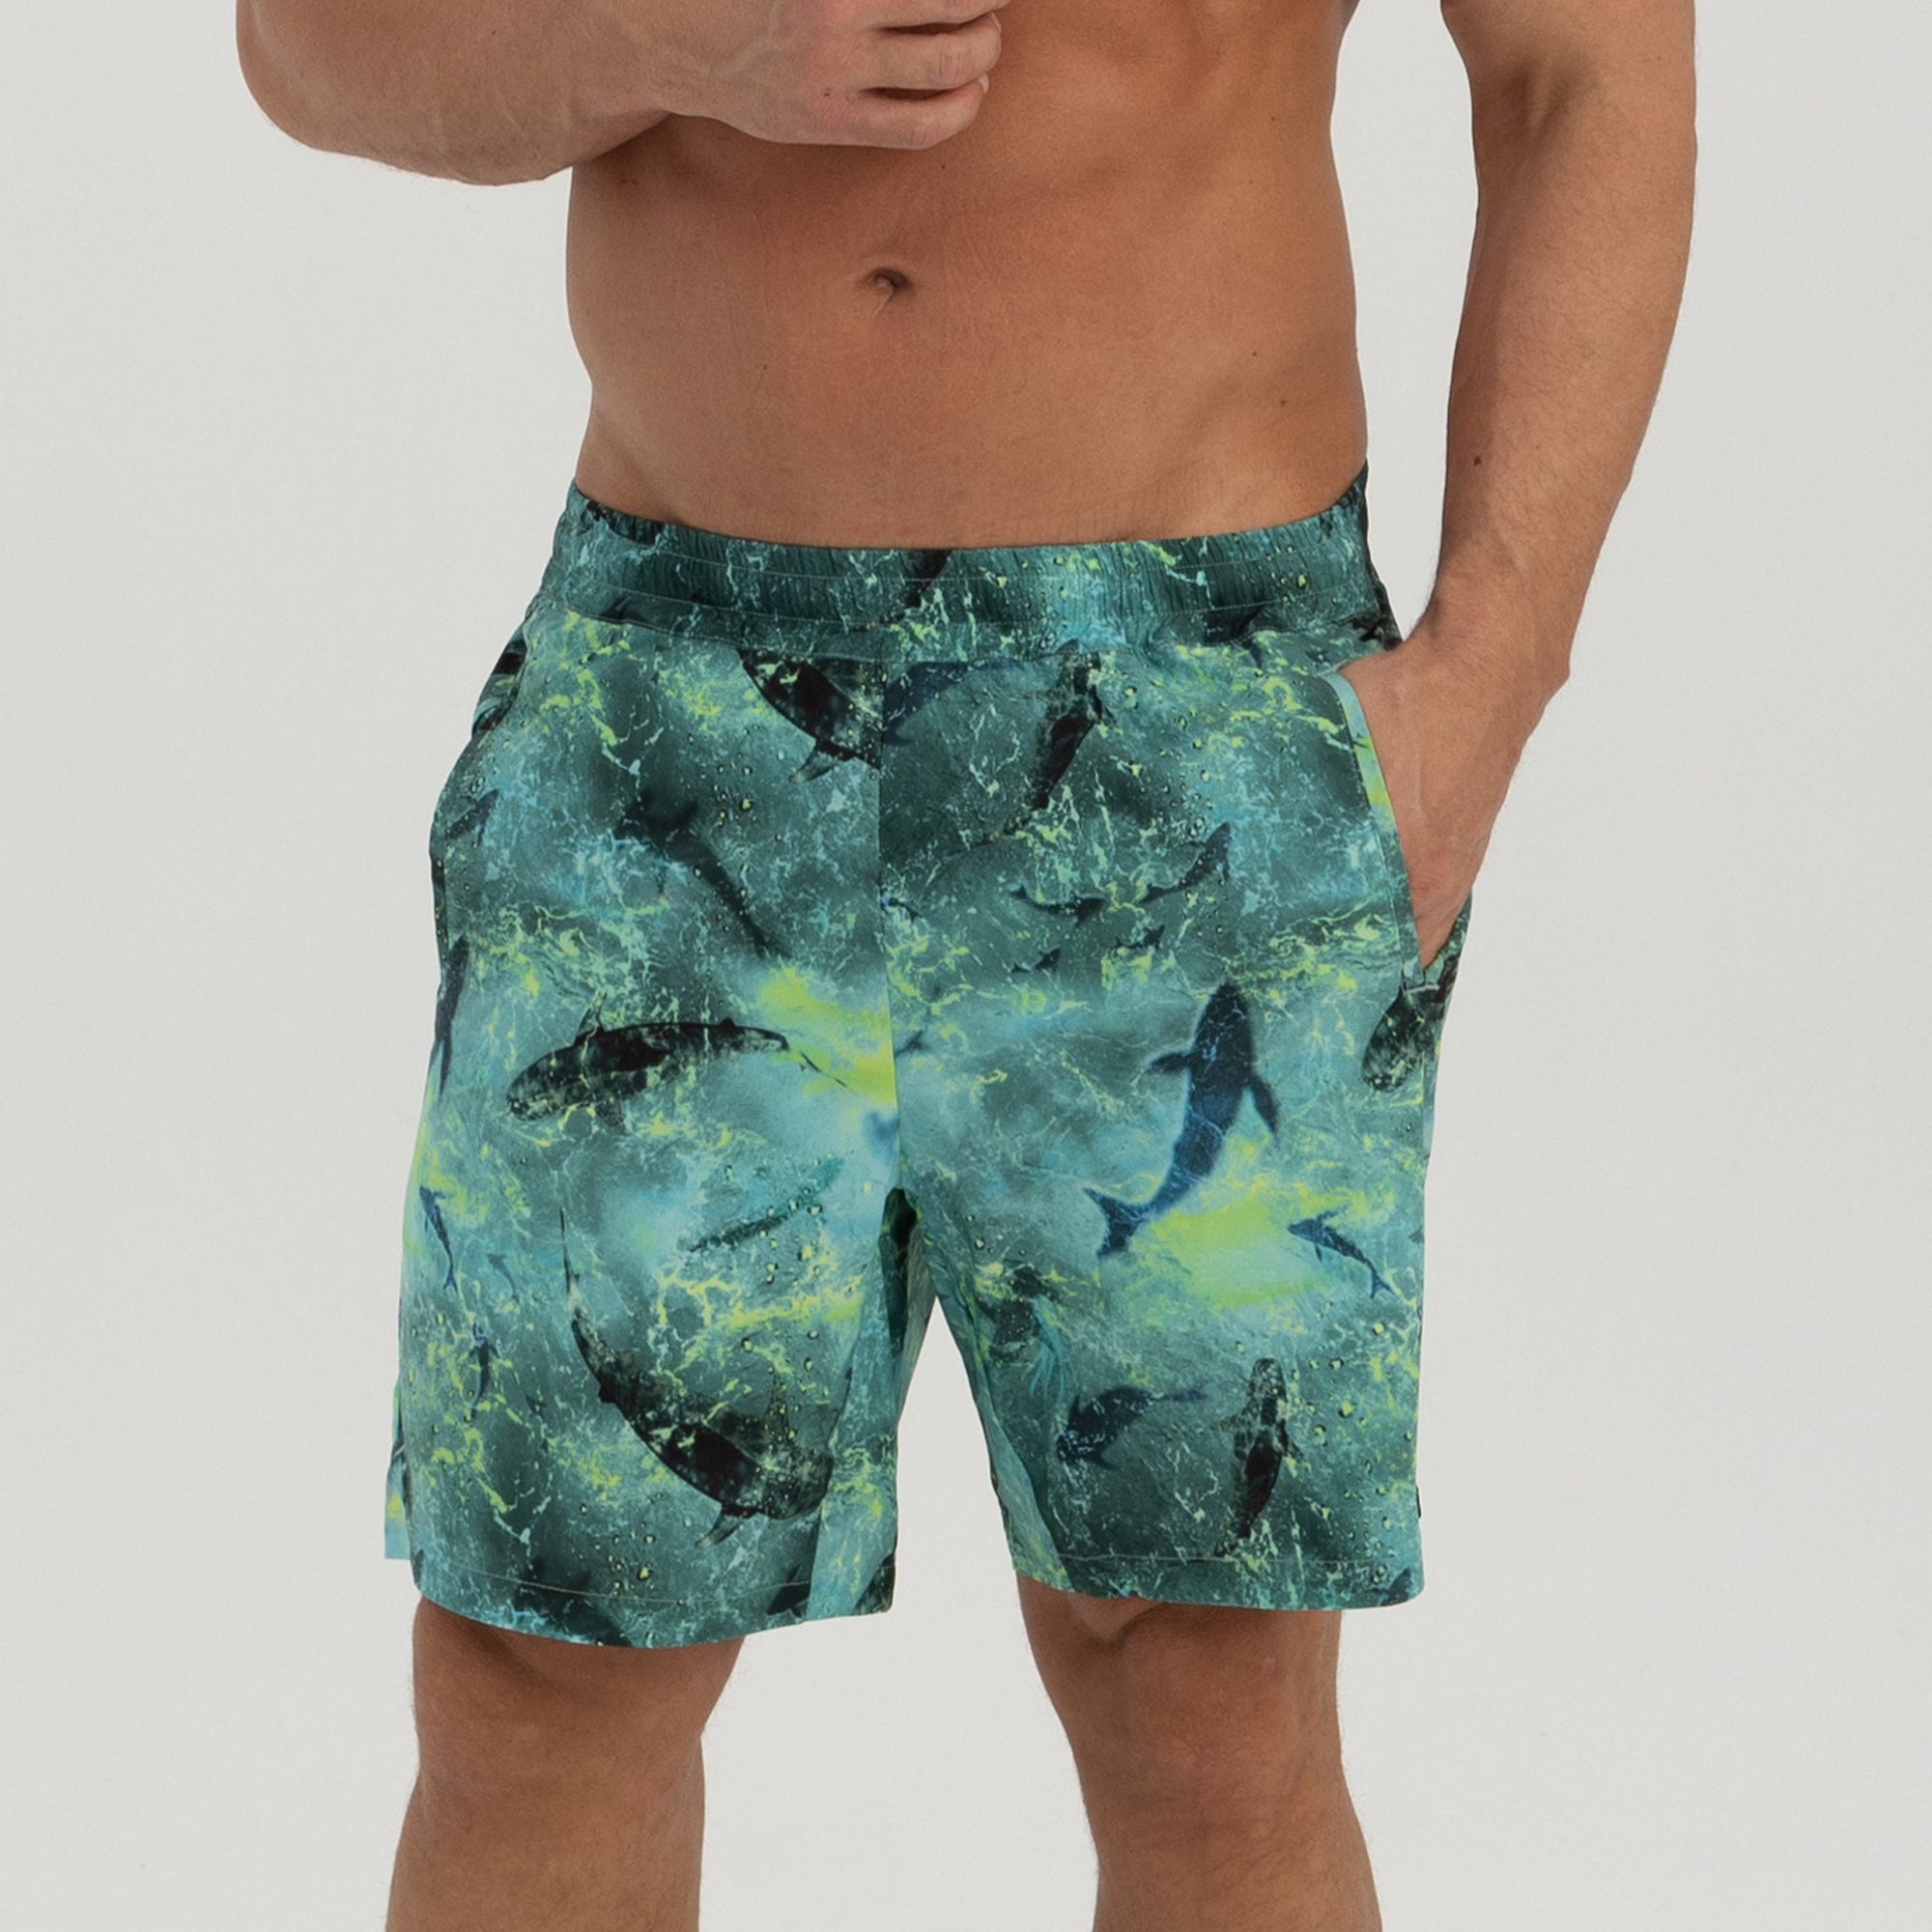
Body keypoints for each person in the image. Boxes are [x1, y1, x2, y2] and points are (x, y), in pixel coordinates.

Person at [237, 3, 1695, 1925]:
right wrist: (675, 40)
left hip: (1190, 720)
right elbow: (311, 42)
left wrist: (1488, 676)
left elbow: (1588, 66)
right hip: (667, 729)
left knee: (1205, 1697)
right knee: (543, 1668)